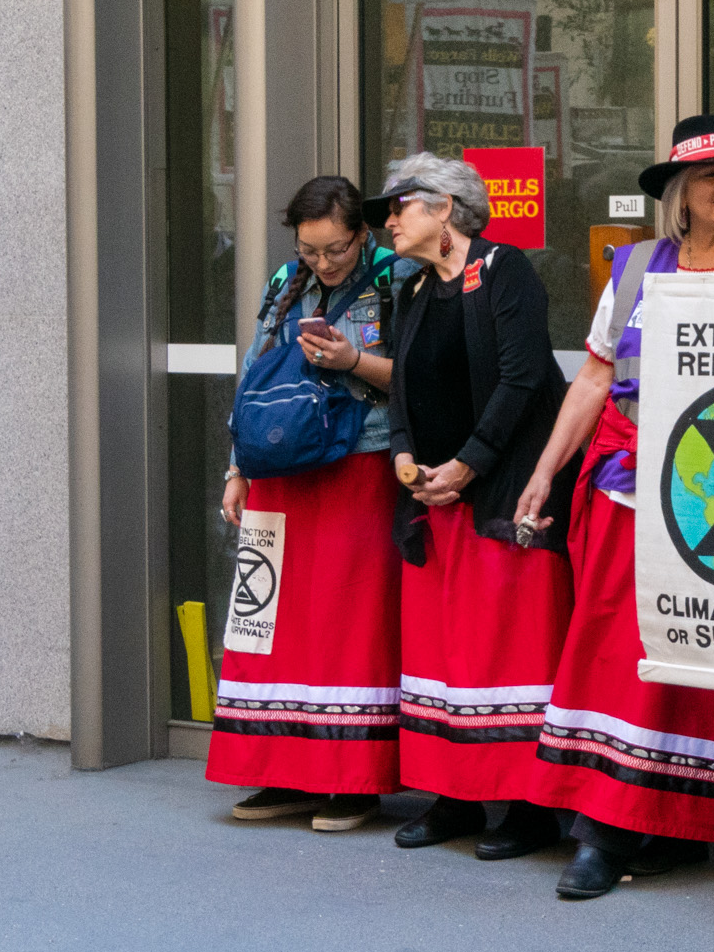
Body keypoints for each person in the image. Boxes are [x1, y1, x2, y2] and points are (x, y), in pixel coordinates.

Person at [515, 115, 714, 901]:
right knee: (611, 652)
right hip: (626, 486)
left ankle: (669, 823)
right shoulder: (633, 267)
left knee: (696, 663)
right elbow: (594, 377)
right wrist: (544, 471)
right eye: (710, 176)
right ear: (680, 194)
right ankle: (601, 826)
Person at [372, 153, 578, 860]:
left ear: (445, 208)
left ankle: (528, 808)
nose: (390, 220)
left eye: (401, 203)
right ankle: (453, 795)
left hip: (502, 491)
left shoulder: (505, 268)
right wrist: (404, 457)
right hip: (435, 499)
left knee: (511, 649)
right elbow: (403, 389)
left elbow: (522, 377)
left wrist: (469, 462)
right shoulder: (412, 287)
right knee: (444, 654)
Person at [208, 176, 416, 831]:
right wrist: (237, 466)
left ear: (363, 233)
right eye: (309, 250)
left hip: (359, 462)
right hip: (278, 467)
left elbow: (417, 376)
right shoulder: (283, 281)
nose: (322, 262)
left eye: (335, 249)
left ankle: (351, 780)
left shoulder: (396, 276)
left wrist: (352, 359)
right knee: (268, 625)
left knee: (349, 624)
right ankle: (280, 770)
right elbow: (254, 371)